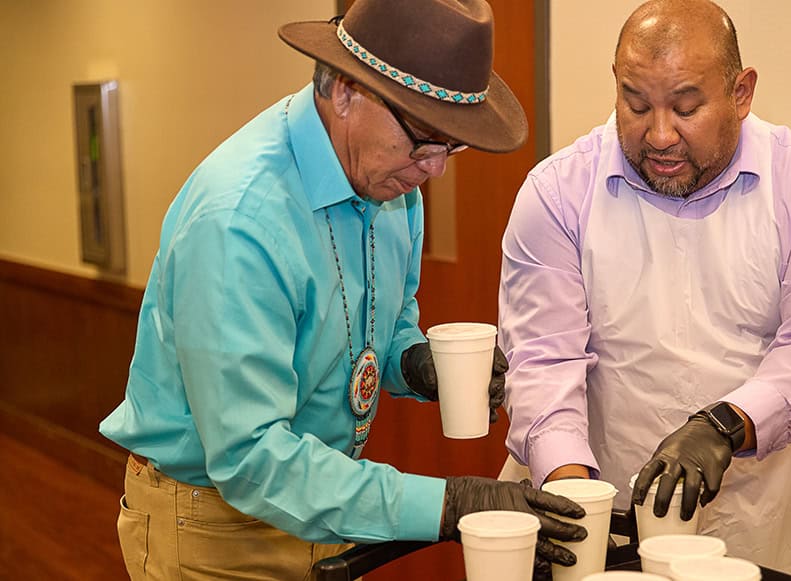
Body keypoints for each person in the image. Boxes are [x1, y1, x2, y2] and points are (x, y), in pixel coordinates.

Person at [99, 1, 587, 579]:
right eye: (425, 139)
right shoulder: (241, 221)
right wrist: (447, 504)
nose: (435, 170)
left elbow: (390, 313)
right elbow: (250, 456)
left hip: (321, 499)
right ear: (347, 91)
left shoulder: (390, 181)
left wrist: (412, 359)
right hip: (214, 525)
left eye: (450, 146)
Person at [498, 1, 791, 579]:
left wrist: (723, 425)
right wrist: (573, 504)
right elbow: (544, 362)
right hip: (600, 522)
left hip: (767, 524)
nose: (659, 134)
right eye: (635, 103)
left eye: (687, 107)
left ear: (742, 93)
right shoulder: (556, 193)